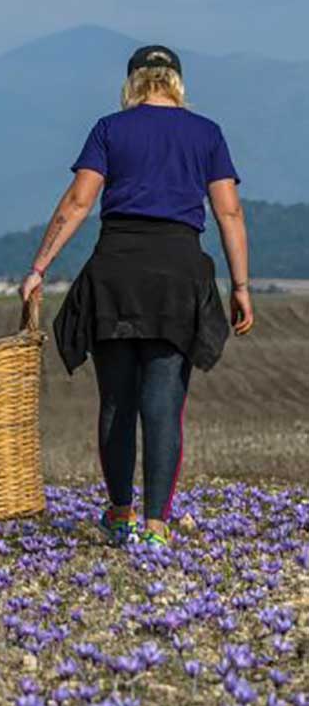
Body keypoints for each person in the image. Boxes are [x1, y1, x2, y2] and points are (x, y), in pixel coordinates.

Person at [20, 45, 253, 548]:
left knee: (116, 402)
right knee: (164, 402)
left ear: (133, 83)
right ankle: (155, 526)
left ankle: (120, 515)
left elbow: (80, 201)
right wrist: (240, 285)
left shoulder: (110, 129)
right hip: (178, 274)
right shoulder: (206, 133)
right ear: (177, 82)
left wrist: (40, 267)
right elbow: (229, 213)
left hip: (116, 272)